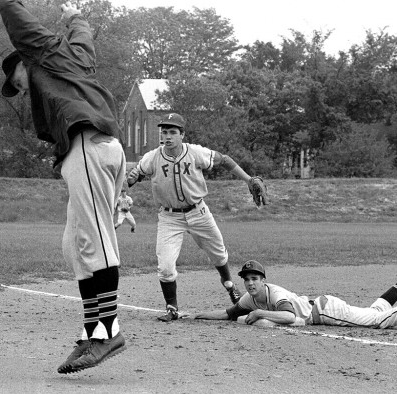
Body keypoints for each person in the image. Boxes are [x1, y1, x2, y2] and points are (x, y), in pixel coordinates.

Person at [0, 1, 126, 373]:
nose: (16, 87)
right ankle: (91, 331)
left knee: (96, 241)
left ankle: (109, 332)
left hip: (87, 142)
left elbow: (15, 17)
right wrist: (73, 17)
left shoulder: (42, 54)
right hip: (99, 147)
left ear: (25, 57)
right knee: (74, 246)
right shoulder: (76, 56)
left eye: (14, 78)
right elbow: (84, 38)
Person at [127, 112, 267, 322]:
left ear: (182, 134)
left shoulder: (195, 153)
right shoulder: (152, 157)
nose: (167, 136)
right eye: (164, 132)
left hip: (198, 212)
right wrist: (130, 179)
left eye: (172, 132)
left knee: (219, 254)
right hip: (169, 217)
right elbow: (135, 173)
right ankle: (172, 308)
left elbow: (224, 160)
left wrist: (248, 179)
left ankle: (230, 286)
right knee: (165, 267)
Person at [194, 260, 397, 329]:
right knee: (376, 310)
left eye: (254, 279)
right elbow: (227, 313)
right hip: (322, 307)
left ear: (263, 280)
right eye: (246, 279)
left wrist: (259, 314)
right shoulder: (250, 298)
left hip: (327, 311)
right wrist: (197, 315)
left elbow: (290, 316)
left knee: (378, 321)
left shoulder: (275, 293)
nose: (249, 283)